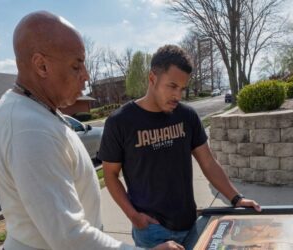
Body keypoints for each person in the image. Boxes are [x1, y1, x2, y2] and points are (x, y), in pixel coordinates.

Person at [0, 11, 182, 250]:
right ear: (41, 65)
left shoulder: (29, 109)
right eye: (77, 66)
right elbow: (69, 236)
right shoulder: (29, 130)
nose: (86, 76)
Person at [98, 44, 261, 248]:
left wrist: (236, 198)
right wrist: (134, 216)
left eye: (182, 88)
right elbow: (110, 175)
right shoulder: (120, 122)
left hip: (189, 224)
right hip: (152, 231)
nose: (178, 95)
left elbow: (208, 162)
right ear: (152, 79)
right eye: (172, 86)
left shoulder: (187, 116)